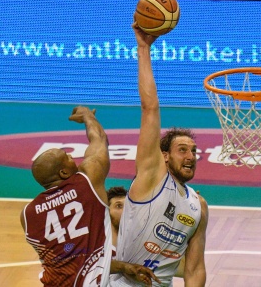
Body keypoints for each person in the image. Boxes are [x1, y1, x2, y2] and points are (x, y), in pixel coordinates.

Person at [110, 23, 208, 286]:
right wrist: (144, 49)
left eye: (194, 151)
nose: (190, 156)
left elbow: (195, 268)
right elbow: (150, 108)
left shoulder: (199, 206)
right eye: (182, 150)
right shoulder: (152, 176)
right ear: (164, 156)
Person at [20, 106, 158, 286]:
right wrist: (87, 116)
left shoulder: (27, 215)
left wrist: (123, 267)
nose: (71, 155)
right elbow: (99, 140)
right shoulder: (87, 182)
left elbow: (75, 260)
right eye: (67, 157)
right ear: (63, 172)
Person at [107, 186, 186, 278]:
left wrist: (185, 224)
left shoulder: (145, 247)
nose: (126, 210)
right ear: (107, 212)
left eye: (129, 206)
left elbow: (184, 270)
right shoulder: (99, 247)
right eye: (119, 206)